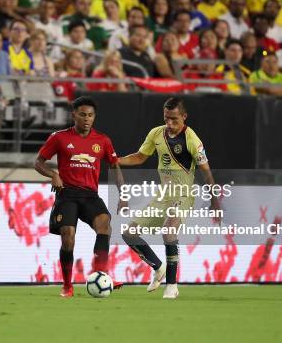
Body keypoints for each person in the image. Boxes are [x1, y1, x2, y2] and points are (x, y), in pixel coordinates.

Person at [117, 97, 219, 299]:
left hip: (183, 195)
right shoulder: (156, 133)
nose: (170, 124)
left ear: (184, 117)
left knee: (168, 231)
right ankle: (158, 266)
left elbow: (206, 172)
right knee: (129, 234)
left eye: (174, 119)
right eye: (166, 119)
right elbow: (139, 156)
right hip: (163, 197)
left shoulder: (192, 139)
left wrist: (215, 201)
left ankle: (172, 285)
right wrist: (116, 159)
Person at [34, 96, 123, 298]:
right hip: (67, 194)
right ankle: (67, 285)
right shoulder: (59, 137)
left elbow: (115, 166)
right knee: (68, 236)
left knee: (104, 224)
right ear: (73, 114)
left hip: (90, 195)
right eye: (82, 114)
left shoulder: (103, 140)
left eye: (90, 115)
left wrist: (123, 194)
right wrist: (53, 174)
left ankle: (101, 274)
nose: (86, 119)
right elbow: (38, 162)